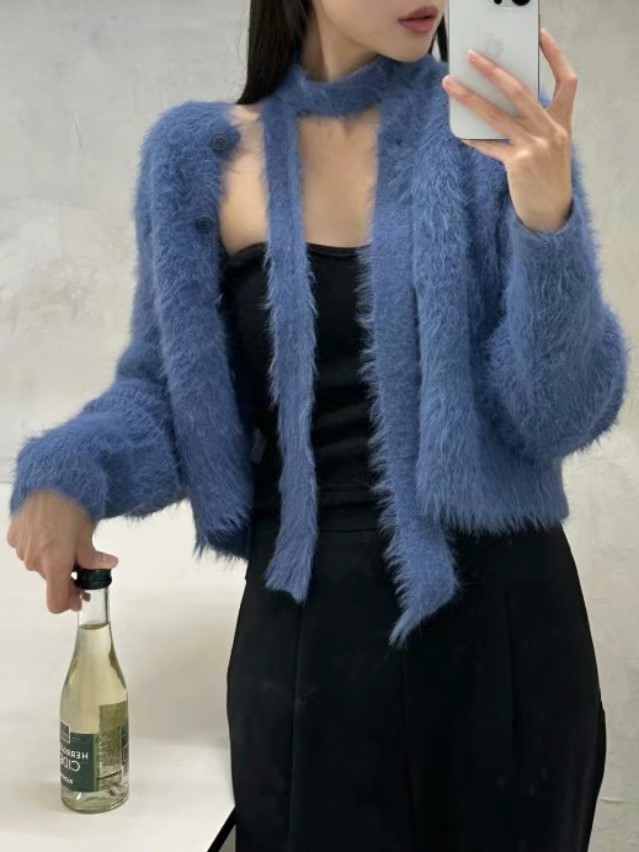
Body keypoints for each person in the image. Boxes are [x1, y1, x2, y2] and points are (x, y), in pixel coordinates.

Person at [7, 2, 628, 850]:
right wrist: (69, 473)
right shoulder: (198, 158)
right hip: (304, 648)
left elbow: (557, 414)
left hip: (508, 641)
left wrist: (546, 220)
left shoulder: (498, 140)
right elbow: (172, 396)